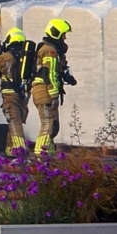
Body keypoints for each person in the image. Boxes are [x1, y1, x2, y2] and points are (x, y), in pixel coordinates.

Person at [31, 19, 73, 155]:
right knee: (48, 125)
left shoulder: (53, 50)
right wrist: (54, 95)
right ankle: (40, 157)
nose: (65, 37)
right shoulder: (49, 51)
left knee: (53, 127)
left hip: (47, 91)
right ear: (56, 34)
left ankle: (49, 154)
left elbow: (56, 71)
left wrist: (67, 77)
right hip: (45, 91)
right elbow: (50, 74)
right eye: (63, 34)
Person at [0, 27, 32, 156]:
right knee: (16, 119)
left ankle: (19, 149)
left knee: (13, 120)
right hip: (24, 94)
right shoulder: (27, 57)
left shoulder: (6, 57)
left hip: (9, 93)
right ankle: (10, 149)